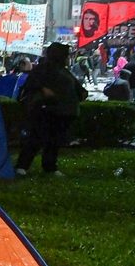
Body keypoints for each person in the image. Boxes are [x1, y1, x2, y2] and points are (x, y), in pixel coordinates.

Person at [16, 42, 87, 176]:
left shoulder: (63, 70)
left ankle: (50, 166)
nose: (68, 59)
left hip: (63, 112)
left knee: (55, 141)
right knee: (36, 139)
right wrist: (44, 90)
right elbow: (31, 84)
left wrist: (81, 93)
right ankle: (22, 166)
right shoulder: (44, 68)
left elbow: (76, 87)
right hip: (46, 110)